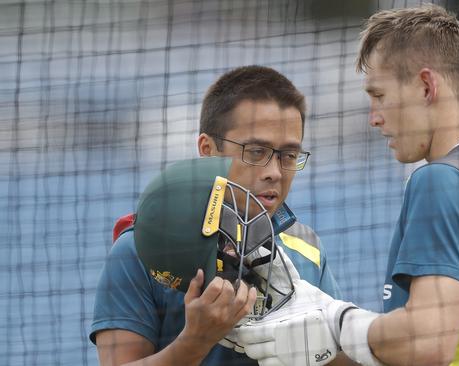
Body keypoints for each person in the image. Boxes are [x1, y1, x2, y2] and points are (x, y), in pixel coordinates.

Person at [236, 4, 459, 366]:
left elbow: (428, 344)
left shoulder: (443, 180)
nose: (373, 118)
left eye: (379, 96)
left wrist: (337, 324)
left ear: (426, 85)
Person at [89, 65, 341, 365]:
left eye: (289, 155)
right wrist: (195, 341)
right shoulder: (139, 249)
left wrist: (331, 333)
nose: (274, 173)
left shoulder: (307, 246)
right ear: (207, 150)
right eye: (256, 152)